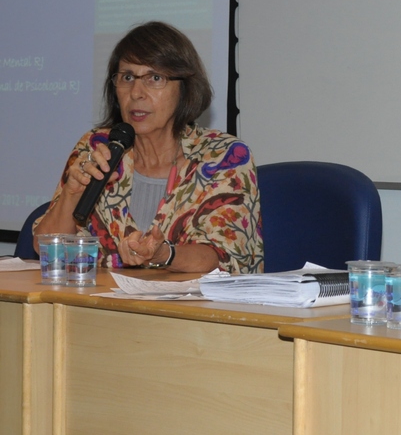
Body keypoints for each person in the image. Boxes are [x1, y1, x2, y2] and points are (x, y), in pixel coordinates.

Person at [34, 21, 264, 273]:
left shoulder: (223, 157)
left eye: (155, 78)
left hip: (194, 310)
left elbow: (224, 257)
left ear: (185, 88)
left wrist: (164, 254)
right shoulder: (97, 147)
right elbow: (44, 247)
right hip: (100, 306)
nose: (136, 93)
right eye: (128, 77)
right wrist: (71, 195)